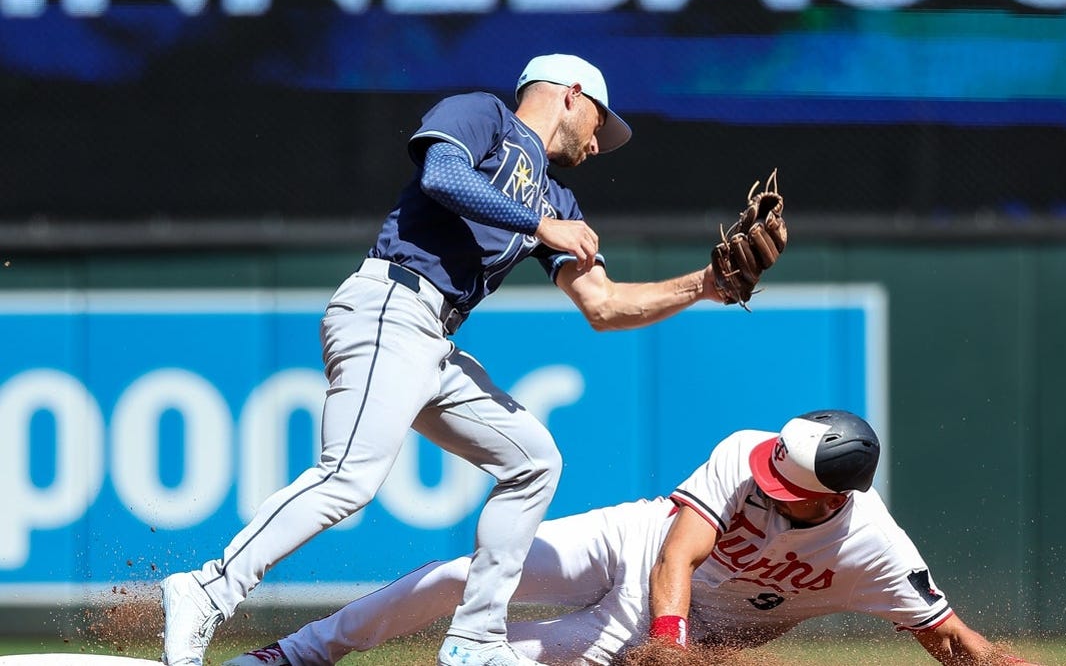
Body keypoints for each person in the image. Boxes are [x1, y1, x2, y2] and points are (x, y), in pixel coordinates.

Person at [159, 53, 730, 666]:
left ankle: (476, 638)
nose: (598, 143)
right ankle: (207, 589)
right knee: (349, 475)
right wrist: (540, 225)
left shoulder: (558, 200)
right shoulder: (484, 115)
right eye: (599, 121)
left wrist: (705, 283)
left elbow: (605, 304)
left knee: (534, 460)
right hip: (391, 303)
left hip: (432, 340)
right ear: (569, 94)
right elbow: (443, 176)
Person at [221, 410, 1040, 666]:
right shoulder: (747, 453)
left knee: (492, 660)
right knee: (462, 577)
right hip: (640, 554)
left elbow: (954, 641)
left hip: (650, 631)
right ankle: (295, 656)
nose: (766, 485)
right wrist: (672, 648)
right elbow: (680, 550)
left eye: (788, 490)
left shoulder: (876, 554)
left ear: (835, 501)